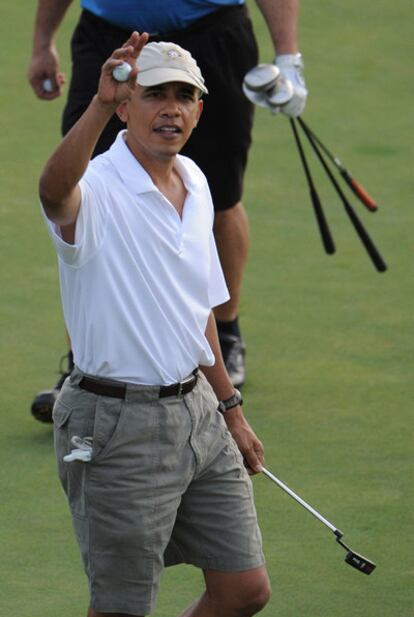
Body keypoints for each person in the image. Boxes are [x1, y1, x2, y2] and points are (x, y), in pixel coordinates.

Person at [40, 32, 271, 617]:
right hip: (116, 424)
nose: (170, 108)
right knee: (121, 609)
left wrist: (232, 411)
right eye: (152, 94)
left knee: (244, 590)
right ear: (124, 106)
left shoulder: (194, 180)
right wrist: (94, 103)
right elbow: (53, 191)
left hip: (200, 417)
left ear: (199, 109)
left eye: (183, 96)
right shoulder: (95, 188)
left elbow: (201, 312)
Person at [28, 0, 308, 422]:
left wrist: (288, 57)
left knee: (217, 196)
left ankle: (224, 336)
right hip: (108, 36)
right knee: (84, 205)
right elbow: (56, 193)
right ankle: (85, 365)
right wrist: (42, 41)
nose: (171, 106)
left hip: (212, 31)